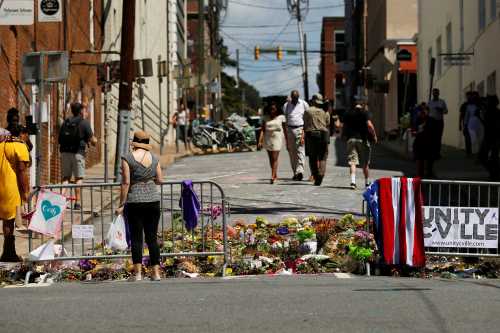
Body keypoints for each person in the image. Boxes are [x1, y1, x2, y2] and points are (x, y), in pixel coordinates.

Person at [115, 131, 163, 281]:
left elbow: (126, 182)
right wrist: (149, 180)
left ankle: (138, 274)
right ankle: (155, 273)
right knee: (152, 238)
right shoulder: (155, 158)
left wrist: (121, 204)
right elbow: (160, 180)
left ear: (134, 142)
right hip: (153, 200)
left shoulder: (127, 158)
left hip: (135, 200)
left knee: (136, 239)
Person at [58, 103, 97, 210]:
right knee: (78, 178)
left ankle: (61, 200)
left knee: (65, 177)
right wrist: (95, 141)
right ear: (81, 111)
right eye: (85, 110)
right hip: (78, 153)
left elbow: (59, 138)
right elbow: (92, 140)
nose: (86, 112)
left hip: (65, 152)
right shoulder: (84, 123)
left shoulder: (66, 122)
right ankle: (77, 202)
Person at [0, 127, 30, 262]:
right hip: (9, 186)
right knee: (8, 220)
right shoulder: (19, 146)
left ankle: (8, 252)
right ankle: (8, 252)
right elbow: (22, 171)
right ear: (22, 134)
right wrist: (26, 192)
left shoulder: (2, 145)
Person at [342, 103, 378, 189]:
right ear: (362, 106)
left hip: (351, 139)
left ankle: (353, 182)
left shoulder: (348, 113)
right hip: (363, 140)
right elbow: (369, 125)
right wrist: (374, 135)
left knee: (352, 162)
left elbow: (343, 126)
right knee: (365, 163)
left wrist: (342, 135)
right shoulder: (365, 113)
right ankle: (366, 182)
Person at [303, 94, 330, 186]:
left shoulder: (308, 111)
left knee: (312, 157)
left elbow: (305, 123)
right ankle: (321, 174)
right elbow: (327, 123)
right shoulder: (325, 111)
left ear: (313, 101)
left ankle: (315, 175)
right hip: (323, 135)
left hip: (311, 135)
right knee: (323, 157)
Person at [283, 90, 309, 181]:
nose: (294, 99)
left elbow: (307, 117)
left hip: (300, 129)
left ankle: (300, 171)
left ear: (298, 97)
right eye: (293, 98)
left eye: (296, 98)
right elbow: (285, 119)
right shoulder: (286, 105)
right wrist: (285, 133)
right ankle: (295, 172)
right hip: (290, 129)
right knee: (292, 152)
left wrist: (304, 131)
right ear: (291, 97)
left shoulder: (303, 104)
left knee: (300, 150)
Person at [258, 102, 287, 184]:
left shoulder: (281, 117)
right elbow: (262, 130)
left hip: (277, 138)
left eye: (274, 109)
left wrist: (287, 141)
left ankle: (272, 176)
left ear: (277, 109)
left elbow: (285, 129)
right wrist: (260, 141)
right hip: (267, 139)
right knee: (271, 159)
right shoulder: (265, 118)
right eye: (271, 109)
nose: (272, 110)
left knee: (275, 158)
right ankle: (275, 173)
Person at [479, 95, 500, 180]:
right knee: (486, 158)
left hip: (493, 138)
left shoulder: (494, 112)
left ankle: (494, 173)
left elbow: (490, 125)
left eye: (488, 101)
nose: (486, 102)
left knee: (489, 157)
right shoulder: (489, 112)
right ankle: (494, 173)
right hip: (489, 137)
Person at [427, 88, 448, 165]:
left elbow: (446, 111)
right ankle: (432, 153)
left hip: (439, 121)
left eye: (436, 93)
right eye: (434, 93)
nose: (435, 94)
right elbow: (427, 112)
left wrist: (441, 110)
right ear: (432, 94)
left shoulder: (442, 102)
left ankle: (437, 153)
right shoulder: (429, 102)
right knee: (432, 138)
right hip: (431, 121)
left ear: (438, 94)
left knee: (438, 137)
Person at [459, 91, 481, 156]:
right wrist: (459, 124)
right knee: (467, 139)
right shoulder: (464, 105)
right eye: (467, 96)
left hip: (475, 124)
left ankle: (474, 152)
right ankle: (468, 152)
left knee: (474, 138)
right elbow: (461, 115)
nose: (469, 97)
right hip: (466, 124)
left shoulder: (477, 105)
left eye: (470, 96)